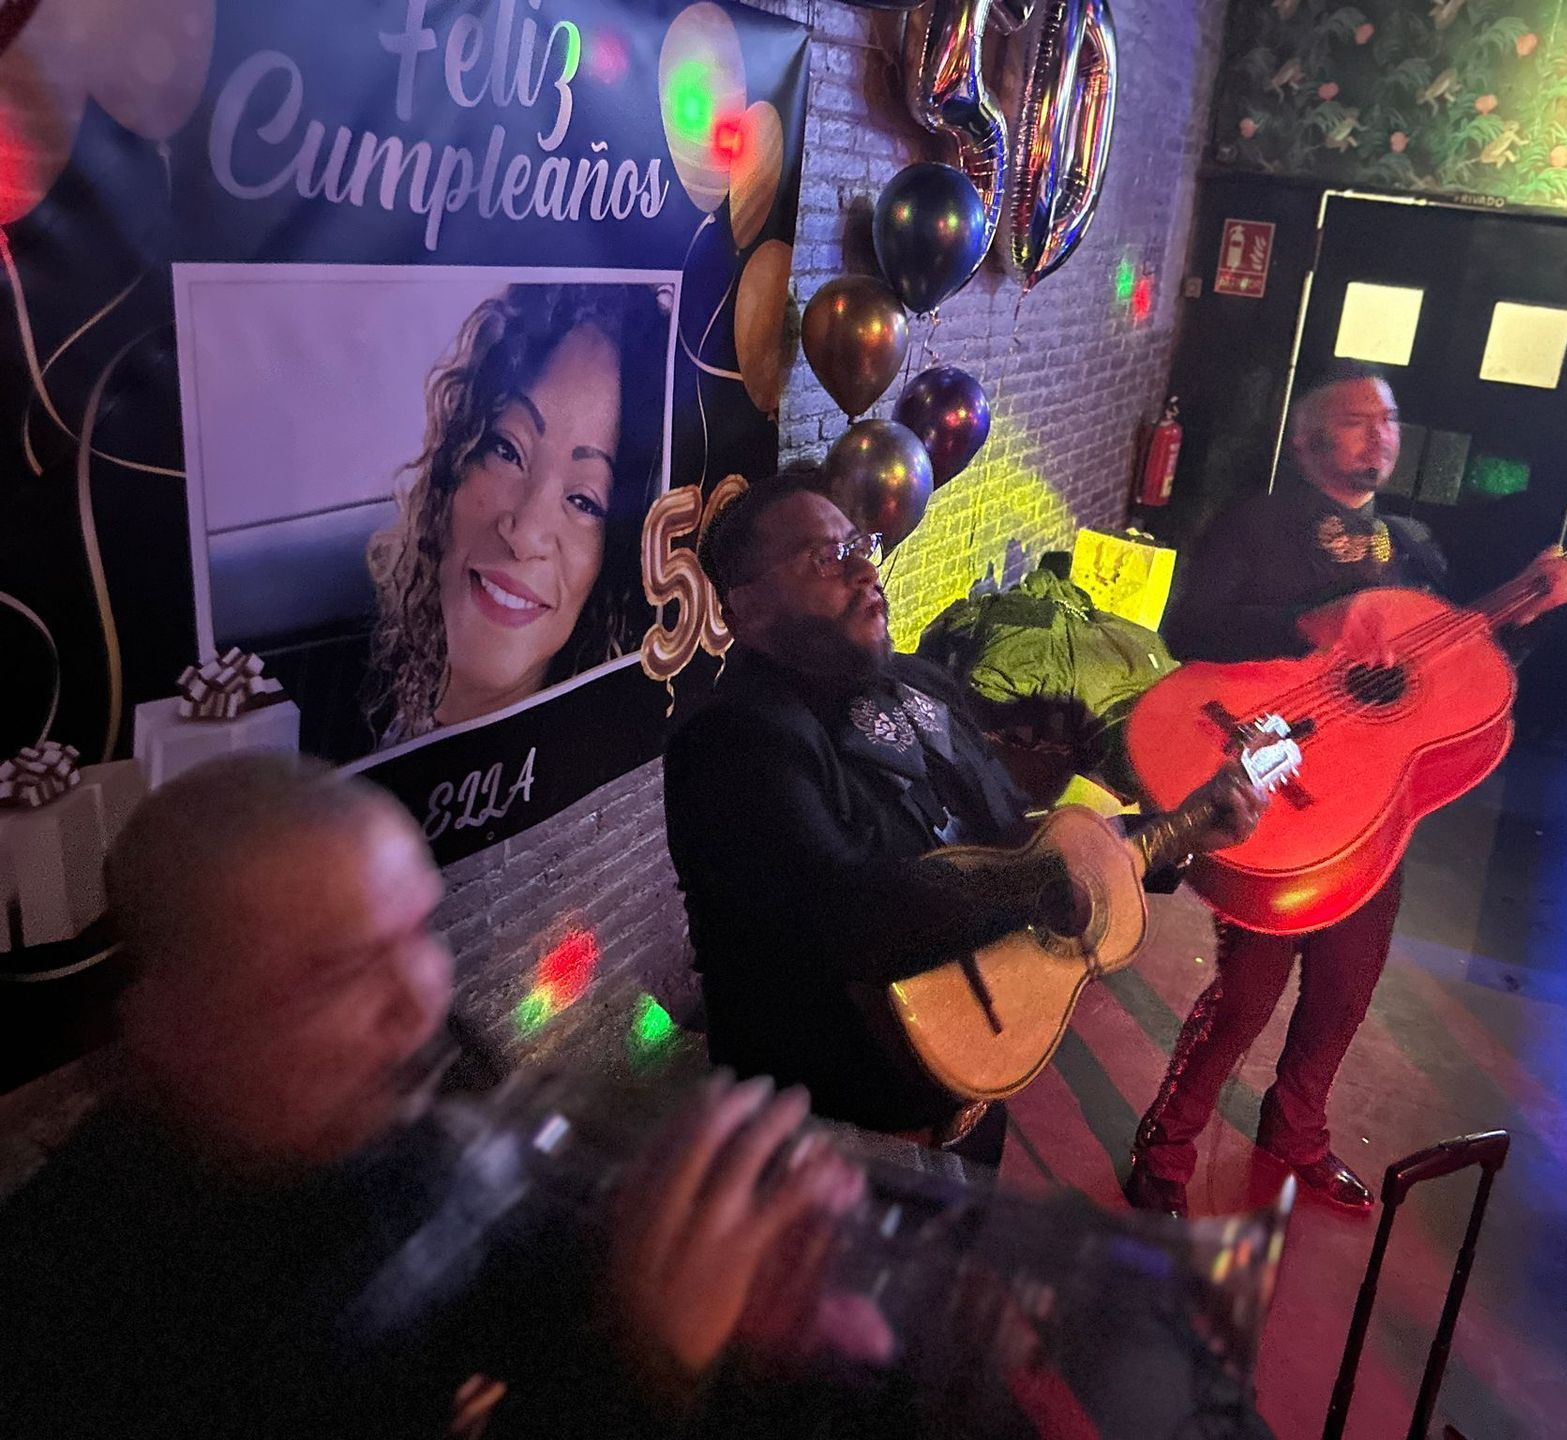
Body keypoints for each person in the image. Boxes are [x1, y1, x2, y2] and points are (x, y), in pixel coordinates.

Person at [0, 754, 863, 1439]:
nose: (420, 999)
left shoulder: (393, 1138)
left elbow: (531, 1290)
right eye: (335, 975)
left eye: (415, 928)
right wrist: (647, 1370)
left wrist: (733, 1311)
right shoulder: (69, 1336)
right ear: (166, 1030)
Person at [663, 464, 1264, 1163]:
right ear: (745, 607)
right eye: (826, 557)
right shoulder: (735, 738)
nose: (864, 569)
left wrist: (1180, 828)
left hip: (970, 1118)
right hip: (824, 1153)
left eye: (860, 544)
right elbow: (852, 919)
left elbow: (1014, 841)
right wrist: (1039, 878)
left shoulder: (918, 683)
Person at [1126, 362, 1567, 1217]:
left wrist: (1532, 607)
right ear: (1308, 440)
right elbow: (1185, 626)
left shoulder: (1412, 549)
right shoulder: (1257, 524)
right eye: (1355, 420)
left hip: (1366, 810)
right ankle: (1169, 1139)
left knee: (1344, 990)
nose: (1379, 434)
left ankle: (1295, 1133)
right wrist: (1310, 623)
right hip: (1267, 783)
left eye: (1388, 420)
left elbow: (1449, 673)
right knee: (1246, 996)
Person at [365, 282, 668, 746]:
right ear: (455, 461)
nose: (525, 533)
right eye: (507, 450)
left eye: (585, 501)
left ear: (621, 565)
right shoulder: (401, 720)